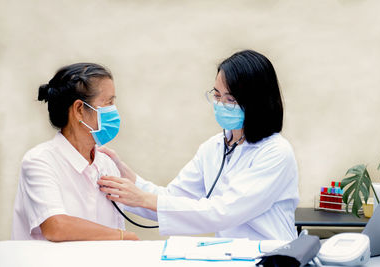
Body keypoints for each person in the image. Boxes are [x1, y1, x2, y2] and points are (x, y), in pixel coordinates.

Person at [98, 50, 299, 240]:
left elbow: (224, 212)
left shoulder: (276, 152)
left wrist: (143, 198)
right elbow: (172, 198)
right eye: (217, 95)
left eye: (230, 99)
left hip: (272, 255)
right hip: (232, 255)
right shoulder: (213, 148)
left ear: (256, 102)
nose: (220, 104)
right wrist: (128, 181)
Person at [12, 63, 138, 241]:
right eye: (108, 102)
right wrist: (123, 236)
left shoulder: (106, 163)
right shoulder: (40, 161)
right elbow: (56, 226)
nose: (113, 110)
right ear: (79, 110)